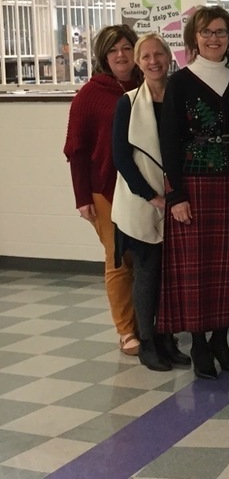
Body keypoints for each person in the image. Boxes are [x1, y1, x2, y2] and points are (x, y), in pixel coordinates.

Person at [159, 6, 229, 380]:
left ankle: (221, 340)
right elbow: (168, 143)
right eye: (206, 32)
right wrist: (176, 197)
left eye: (221, 32)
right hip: (194, 185)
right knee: (196, 270)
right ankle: (200, 345)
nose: (214, 39)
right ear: (194, 38)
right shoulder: (180, 82)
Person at [111, 33, 190, 372]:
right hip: (141, 199)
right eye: (146, 56)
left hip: (179, 199)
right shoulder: (128, 101)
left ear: (169, 57)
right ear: (138, 62)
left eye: (159, 54)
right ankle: (147, 341)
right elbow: (121, 157)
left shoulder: (182, 95)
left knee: (173, 274)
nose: (154, 61)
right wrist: (152, 196)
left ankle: (168, 336)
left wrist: (175, 195)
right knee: (147, 273)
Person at [63, 24, 142, 357]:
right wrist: (82, 198)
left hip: (146, 188)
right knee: (118, 261)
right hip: (104, 190)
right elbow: (76, 149)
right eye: (113, 50)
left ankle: (150, 324)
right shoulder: (90, 95)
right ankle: (126, 331)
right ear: (102, 56)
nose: (121, 55)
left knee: (148, 260)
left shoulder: (150, 85)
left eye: (126, 47)